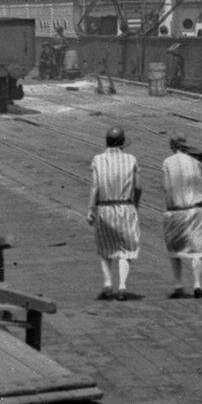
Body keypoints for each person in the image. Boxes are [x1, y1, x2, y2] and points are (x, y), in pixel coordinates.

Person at [87, 125, 142, 299]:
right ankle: (122, 286)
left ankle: (108, 283)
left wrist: (91, 208)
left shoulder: (97, 159)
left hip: (104, 208)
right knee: (126, 249)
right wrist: (135, 204)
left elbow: (95, 186)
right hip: (126, 207)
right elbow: (138, 186)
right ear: (123, 142)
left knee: (105, 248)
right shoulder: (131, 159)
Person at [160, 135, 202, 298]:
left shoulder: (168, 162)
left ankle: (179, 284)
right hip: (197, 211)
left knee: (175, 249)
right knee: (197, 248)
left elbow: (166, 187)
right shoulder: (198, 162)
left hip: (176, 211)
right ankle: (197, 284)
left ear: (172, 147)